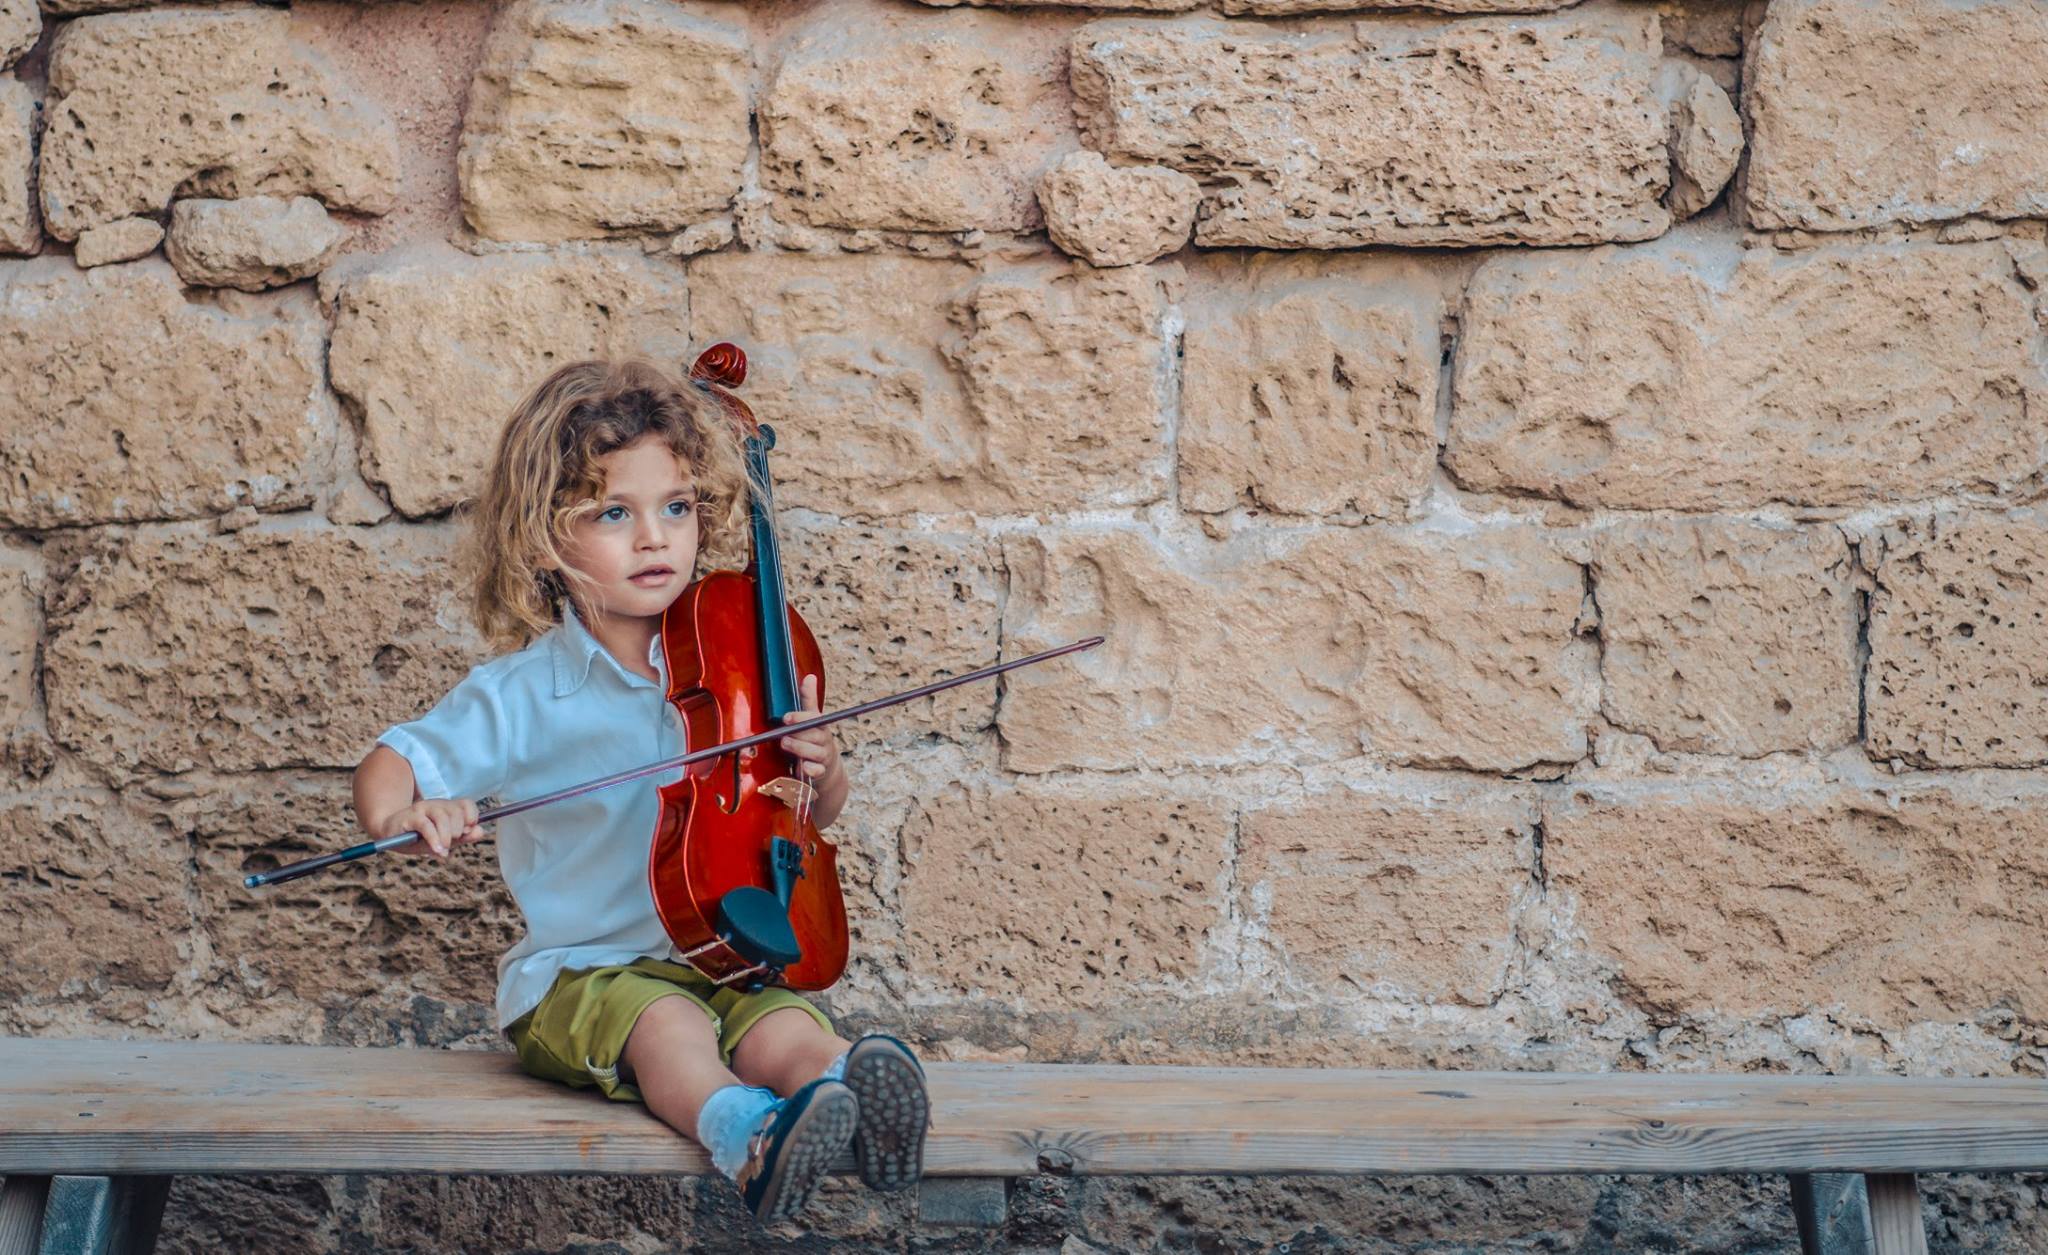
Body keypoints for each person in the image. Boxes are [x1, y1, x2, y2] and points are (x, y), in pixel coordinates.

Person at [351, 358, 928, 1224]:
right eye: (615, 513)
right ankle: (749, 1139)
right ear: (546, 537)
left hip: (724, 954)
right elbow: (393, 760)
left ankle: (850, 1102)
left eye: (677, 508)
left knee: (787, 1028)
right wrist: (405, 811)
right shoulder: (524, 692)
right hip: (584, 977)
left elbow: (803, 817)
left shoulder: (737, 658)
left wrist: (823, 768)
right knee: (668, 1027)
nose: (655, 537)